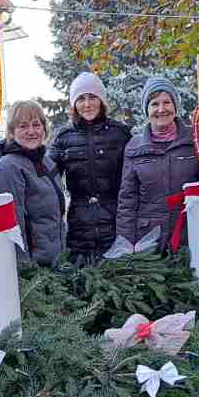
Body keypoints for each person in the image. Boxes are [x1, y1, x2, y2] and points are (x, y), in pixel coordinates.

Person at [48, 71, 132, 262]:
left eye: (92, 97)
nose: (87, 104)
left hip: (116, 224)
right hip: (79, 226)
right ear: (74, 104)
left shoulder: (120, 134)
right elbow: (44, 173)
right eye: (81, 99)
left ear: (101, 101)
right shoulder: (63, 137)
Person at [117, 75, 199, 250]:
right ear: (146, 109)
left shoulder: (195, 140)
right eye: (154, 104)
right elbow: (127, 200)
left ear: (175, 106)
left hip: (188, 234)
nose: (161, 109)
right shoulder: (134, 147)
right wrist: (126, 242)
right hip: (148, 238)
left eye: (167, 102)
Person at [0, 100, 66, 265]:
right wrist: (25, 269)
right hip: (31, 267)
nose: (31, 131)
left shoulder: (47, 162)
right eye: (23, 126)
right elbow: (10, 226)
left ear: (44, 129)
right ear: (12, 131)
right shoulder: (8, 168)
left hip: (54, 261)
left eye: (36, 125)